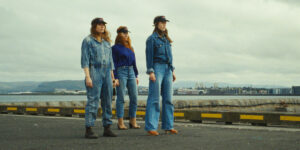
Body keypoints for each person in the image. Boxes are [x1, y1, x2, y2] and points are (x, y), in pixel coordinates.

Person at [81, 17, 117, 138]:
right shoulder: (87, 41)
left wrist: (113, 77)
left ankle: (107, 128)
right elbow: (85, 61)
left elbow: (111, 61)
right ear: (94, 26)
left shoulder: (107, 43)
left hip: (107, 71)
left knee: (107, 100)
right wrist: (88, 77)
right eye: (99, 24)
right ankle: (89, 129)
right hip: (94, 70)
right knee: (93, 100)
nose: (102, 26)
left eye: (103, 25)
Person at [145, 16, 178, 136]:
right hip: (157, 67)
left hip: (168, 69)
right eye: (162, 23)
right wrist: (151, 72)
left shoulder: (166, 39)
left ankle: (168, 126)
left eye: (165, 23)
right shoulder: (151, 39)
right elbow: (149, 57)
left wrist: (172, 70)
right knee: (154, 98)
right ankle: (151, 127)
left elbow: (170, 57)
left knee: (168, 99)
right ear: (156, 24)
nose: (164, 25)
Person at [112, 26, 140, 130]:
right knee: (121, 98)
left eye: (127, 33)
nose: (126, 34)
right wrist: (115, 77)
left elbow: (134, 62)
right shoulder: (115, 48)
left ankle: (133, 121)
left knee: (134, 97)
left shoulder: (130, 48)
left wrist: (136, 75)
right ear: (119, 34)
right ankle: (120, 122)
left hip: (131, 71)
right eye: (124, 33)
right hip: (121, 71)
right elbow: (113, 63)